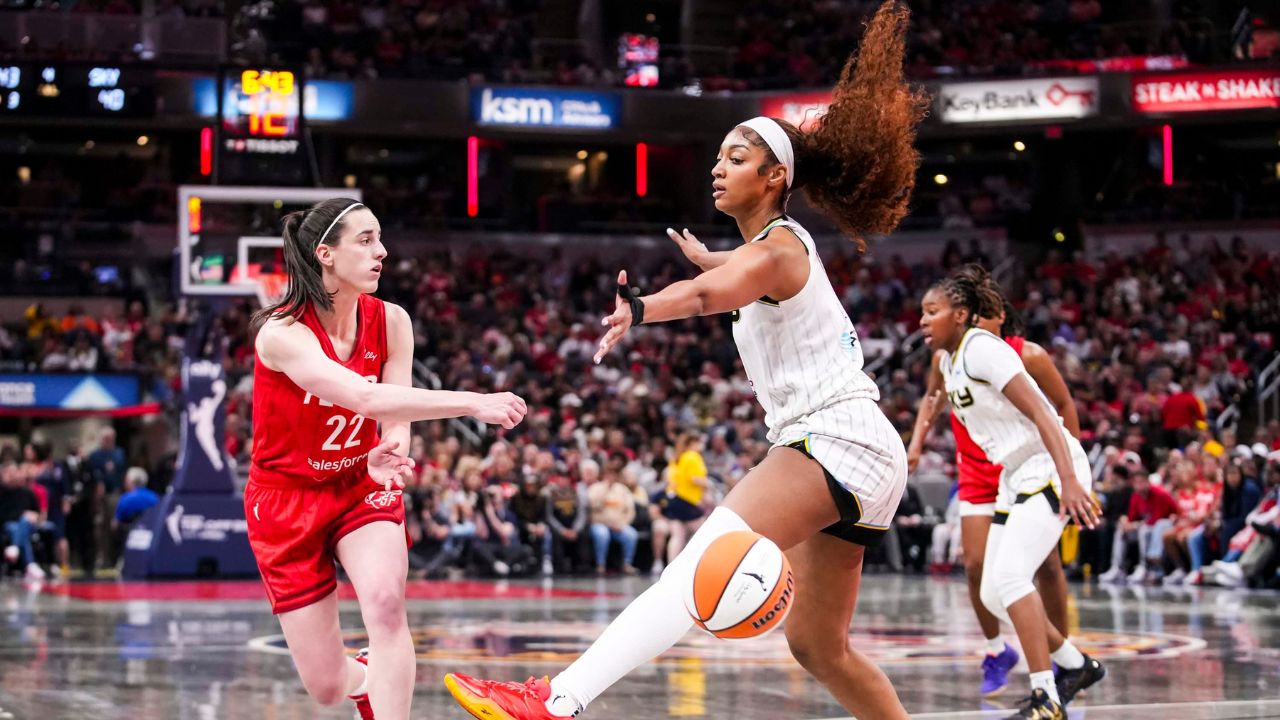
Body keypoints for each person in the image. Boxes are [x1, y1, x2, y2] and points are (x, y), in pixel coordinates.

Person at [444, 3, 926, 717]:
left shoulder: (782, 247)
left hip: (838, 438)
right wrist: (718, 267)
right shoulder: (770, 250)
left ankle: (556, 701)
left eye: (736, 157)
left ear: (773, 176)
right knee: (818, 648)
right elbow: (731, 278)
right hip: (861, 449)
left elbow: (708, 294)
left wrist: (640, 308)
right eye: (719, 155)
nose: (716, 167)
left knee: (700, 562)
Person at [245, 198, 527, 720]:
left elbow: (392, 411)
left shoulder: (393, 320)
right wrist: (473, 402)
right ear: (325, 254)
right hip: (285, 501)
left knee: (385, 604)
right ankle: (366, 682)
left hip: (359, 483)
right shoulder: (281, 334)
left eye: (380, 238)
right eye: (367, 240)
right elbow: (367, 399)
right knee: (327, 686)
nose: (383, 251)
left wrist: (394, 445)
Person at [918, 265, 1105, 719]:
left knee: (1013, 579)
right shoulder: (949, 360)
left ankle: (1046, 697)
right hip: (1014, 473)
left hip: (1047, 467)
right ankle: (1076, 665)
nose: (922, 321)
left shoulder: (984, 349)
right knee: (990, 593)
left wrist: (1072, 479)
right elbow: (933, 401)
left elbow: (1045, 411)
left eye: (931, 311)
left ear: (961, 314)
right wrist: (916, 443)